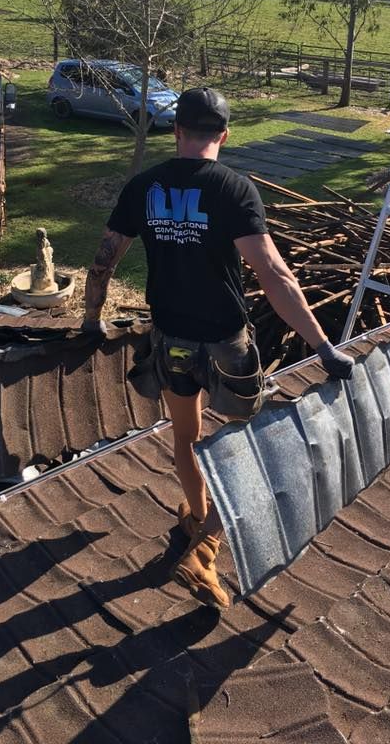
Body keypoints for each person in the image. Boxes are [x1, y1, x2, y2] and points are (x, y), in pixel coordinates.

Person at [82, 87, 353, 609]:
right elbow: (273, 273)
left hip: (172, 338)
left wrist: (92, 318)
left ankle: (197, 515)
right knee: (238, 442)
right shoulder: (234, 190)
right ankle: (206, 545)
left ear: (177, 131)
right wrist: (322, 347)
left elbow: (104, 259)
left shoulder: (144, 186)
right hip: (226, 342)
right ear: (224, 136)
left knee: (186, 435)